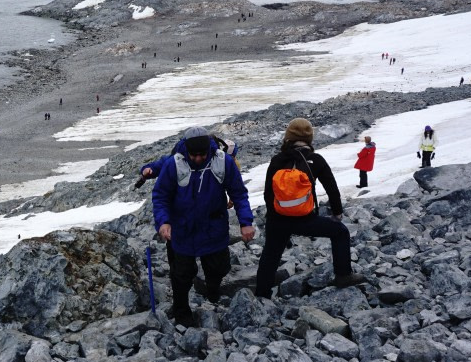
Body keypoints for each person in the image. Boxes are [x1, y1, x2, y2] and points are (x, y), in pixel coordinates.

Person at [151, 127, 255, 326]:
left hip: (213, 226)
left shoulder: (223, 162)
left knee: (218, 267)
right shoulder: (174, 165)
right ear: (186, 151)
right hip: (182, 229)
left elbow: (239, 193)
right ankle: (182, 313)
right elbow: (161, 196)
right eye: (194, 155)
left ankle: (213, 292)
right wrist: (163, 222)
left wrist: (246, 222)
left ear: (209, 150)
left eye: (202, 155)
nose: (198, 158)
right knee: (181, 274)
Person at [255, 118, 362, 298]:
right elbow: (332, 189)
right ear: (309, 139)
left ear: (287, 138)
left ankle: (261, 294)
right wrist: (337, 213)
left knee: (270, 254)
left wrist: (273, 219)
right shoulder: (316, 160)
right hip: (305, 219)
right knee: (341, 232)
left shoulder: (277, 160)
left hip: (278, 219)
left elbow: (268, 193)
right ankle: (343, 275)